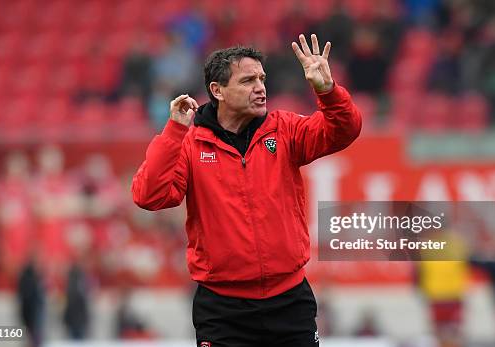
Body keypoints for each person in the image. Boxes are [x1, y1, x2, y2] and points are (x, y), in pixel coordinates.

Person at [132, 34, 362, 346]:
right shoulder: (190, 143)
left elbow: (344, 131)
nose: (260, 87)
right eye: (248, 80)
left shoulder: (285, 129)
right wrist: (174, 130)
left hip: (289, 302)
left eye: (262, 79)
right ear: (218, 91)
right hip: (223, 311)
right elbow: (149, 196)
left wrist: (328, 92)